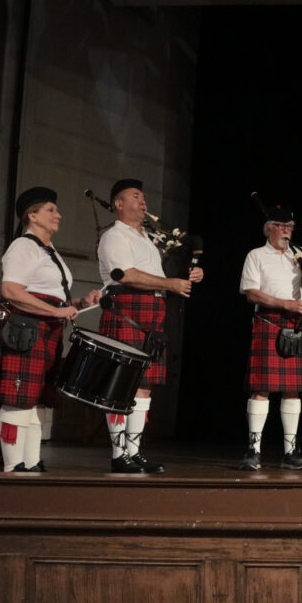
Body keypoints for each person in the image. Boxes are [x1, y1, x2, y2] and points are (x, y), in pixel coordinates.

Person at [0, 187, 102, 471]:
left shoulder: (48, 250)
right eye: (51, 210)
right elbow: (11, 290)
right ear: (32, 216)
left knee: (33, 399)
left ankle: (30, 464)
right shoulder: (24, 246)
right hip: (23, 328)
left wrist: (80, 302)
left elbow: (50, 295)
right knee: (17, 398)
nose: (59, 214)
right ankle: (12, 465)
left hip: (43, 328)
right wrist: (57, 310)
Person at [97, 178, 204, 473]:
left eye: (143, 197)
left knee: (144, 386)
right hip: (127, 307)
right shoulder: (114, 236)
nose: (143, 202)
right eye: (135, 197)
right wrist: (170, 283)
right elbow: (126, 275)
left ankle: (134, 452)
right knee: (122, 383)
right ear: (119, 204)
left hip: (152, 309)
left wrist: (190, 273)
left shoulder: (148, 238)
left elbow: (160, 271)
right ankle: (119, 455)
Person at [239, 204, 302, 470]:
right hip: (270, 321)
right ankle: (253, 450)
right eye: (281, 226)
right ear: (269, 228)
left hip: (299, 324)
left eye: (290, 227)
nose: (287, 231)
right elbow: (251, 293)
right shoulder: (256, 255)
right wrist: (287, 304)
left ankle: (290, 451)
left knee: (293, 391)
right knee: (262, 388)